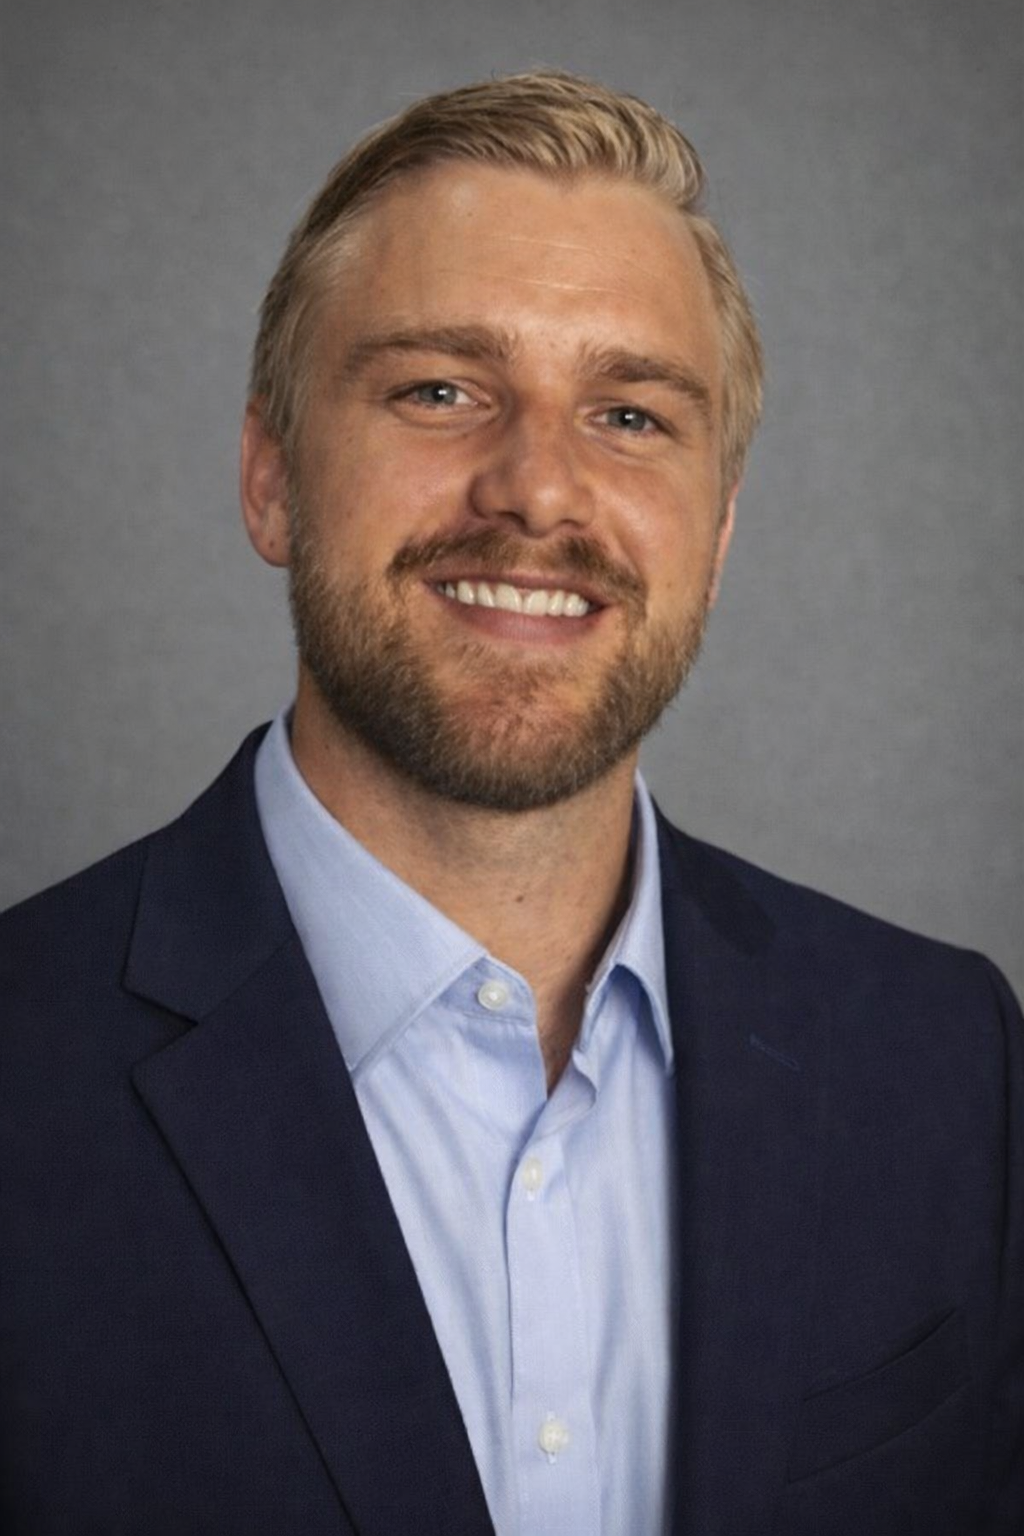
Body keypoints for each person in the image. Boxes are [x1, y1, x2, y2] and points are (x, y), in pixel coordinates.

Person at [1, 70, 1020, 1536]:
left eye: (628, 413)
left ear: (718, 533)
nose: (538, 491)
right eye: (440, 390)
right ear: (273, 475)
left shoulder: (947, 1065)